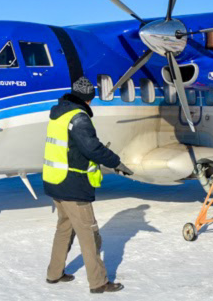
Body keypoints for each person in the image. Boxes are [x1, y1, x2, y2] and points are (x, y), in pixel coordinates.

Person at [43, 76, 134, 294]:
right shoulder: (79, 117)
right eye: (91, 99)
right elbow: (92, 148)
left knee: (64, 229)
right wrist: (116, 162)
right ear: (85, 99)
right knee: (89, 235)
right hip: (73, 185)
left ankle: (54, 273)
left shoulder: (59, 114)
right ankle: (99, 282)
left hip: (56, 182)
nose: (92, 103)